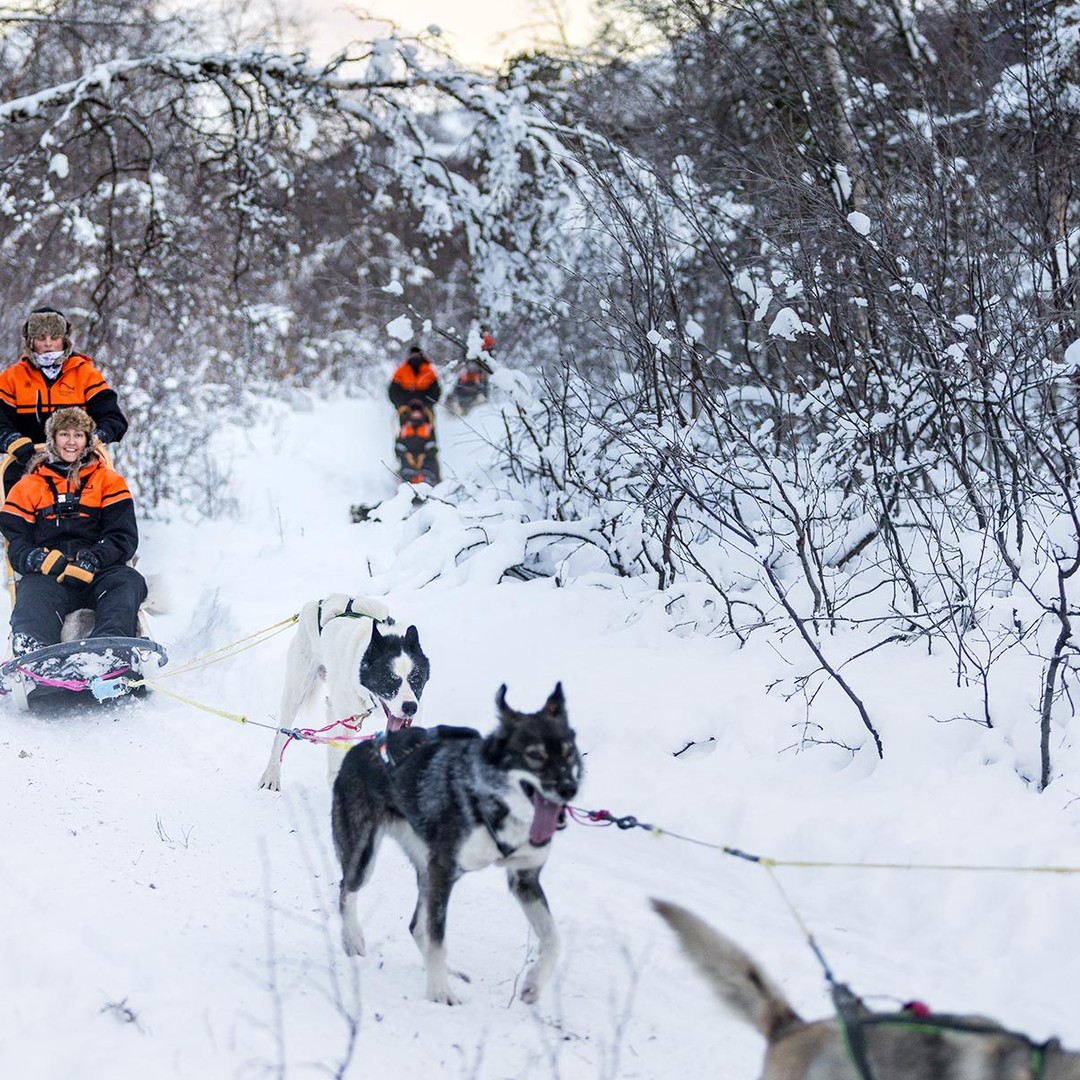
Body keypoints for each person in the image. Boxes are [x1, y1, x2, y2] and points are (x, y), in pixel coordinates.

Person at [0, 406, 147, 670]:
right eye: (64, 434)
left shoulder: (108, 481)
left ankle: (109, 654)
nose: (71, 442)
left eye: (78, 435)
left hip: (100, 570)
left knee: (128, 581)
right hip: (50, 574)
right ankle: (37, 660)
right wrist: (39, 559)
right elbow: (17, 543)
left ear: (87, 440)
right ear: (52, 439)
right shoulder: (28, 486)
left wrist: (92, 560)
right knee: (31, 595)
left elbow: (123, 536)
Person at [0, 307, 128, 492]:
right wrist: (13, 441)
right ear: (30, 341)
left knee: (109, 490)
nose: (48, 344)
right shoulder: (12, 378)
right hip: (26, 463)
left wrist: (92, 439)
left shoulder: (85, 375)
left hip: (78, 463)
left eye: (54, 337)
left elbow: (113, 418)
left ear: (65, 339)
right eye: (41, 338)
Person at [388, 344, 441, 412]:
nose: (415, 357)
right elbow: (393, 390)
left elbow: (435, 391)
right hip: (405, 405)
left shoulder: (429, 371)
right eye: (413, 355)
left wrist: (428, 404)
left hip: (424, 406)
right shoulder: (401, 371)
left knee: (429, 416)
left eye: (417, 355)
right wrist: (400, 404)